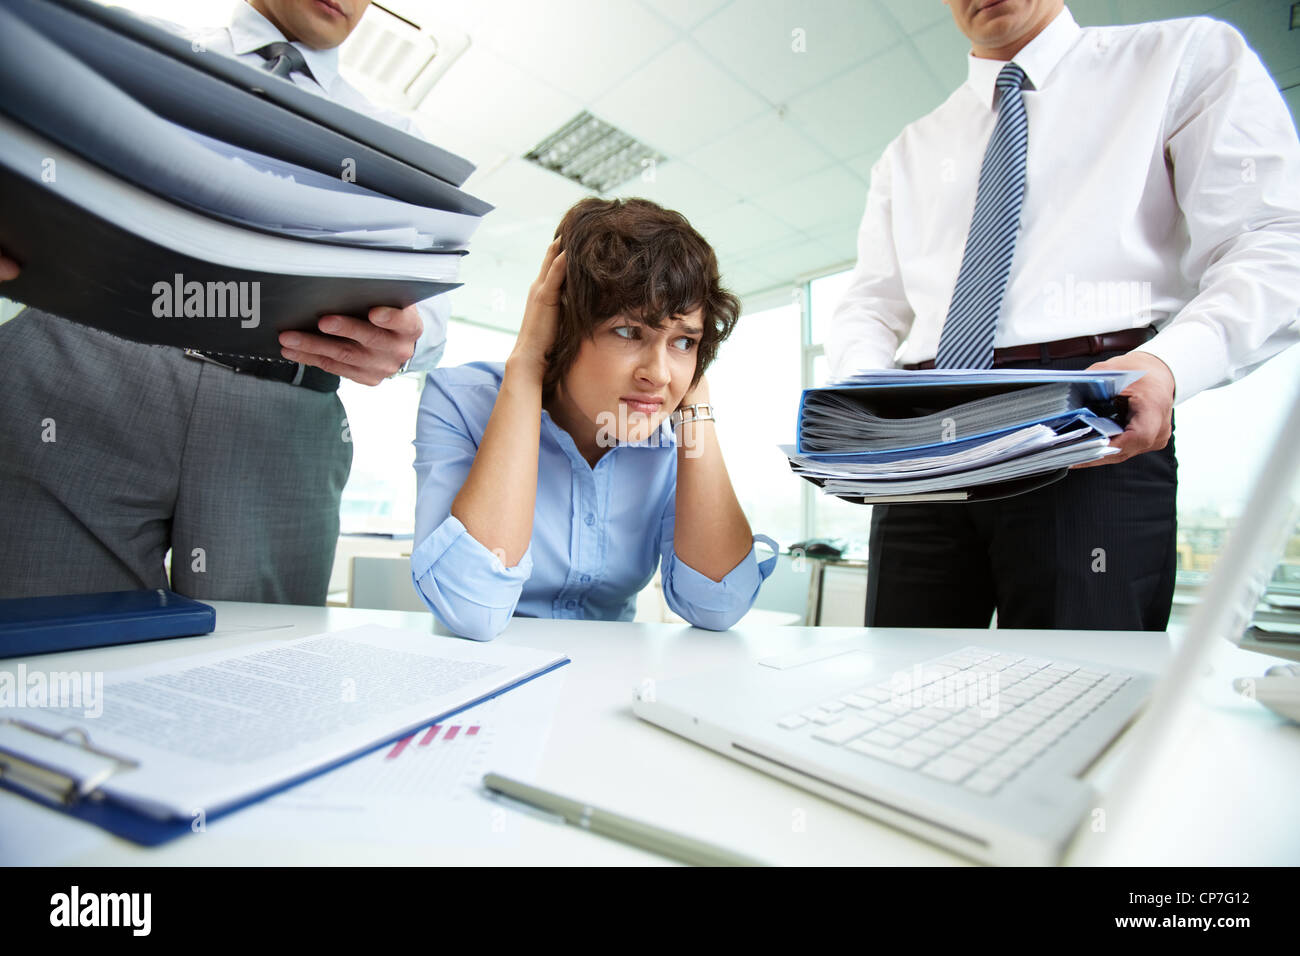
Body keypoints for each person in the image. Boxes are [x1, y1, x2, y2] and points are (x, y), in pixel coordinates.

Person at [827, 0, 1300, 631]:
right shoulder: (908, 150)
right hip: (926, 430)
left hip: (1088, 419)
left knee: (1080, 687)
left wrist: (1168, 365)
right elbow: (869, 303)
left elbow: (1274, 240)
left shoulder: (1183, 59)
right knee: (903, 684)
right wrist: (870, 397)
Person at [0, 0, 450, 604]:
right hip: (81, 372)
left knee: (263, 667)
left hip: (279, 418)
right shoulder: (121, 48)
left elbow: (432, 302)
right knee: (49, 640)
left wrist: (410, 338)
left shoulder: (397, 139)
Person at [411, 197, 777, 640]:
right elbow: (472, 610)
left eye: (684, 341)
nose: (658, 374)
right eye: (628, 332)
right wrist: (527, 365)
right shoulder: (458, 402)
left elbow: (718, 606)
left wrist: (695, 407)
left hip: (611, 684)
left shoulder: (669, 437)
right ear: (562, 327)